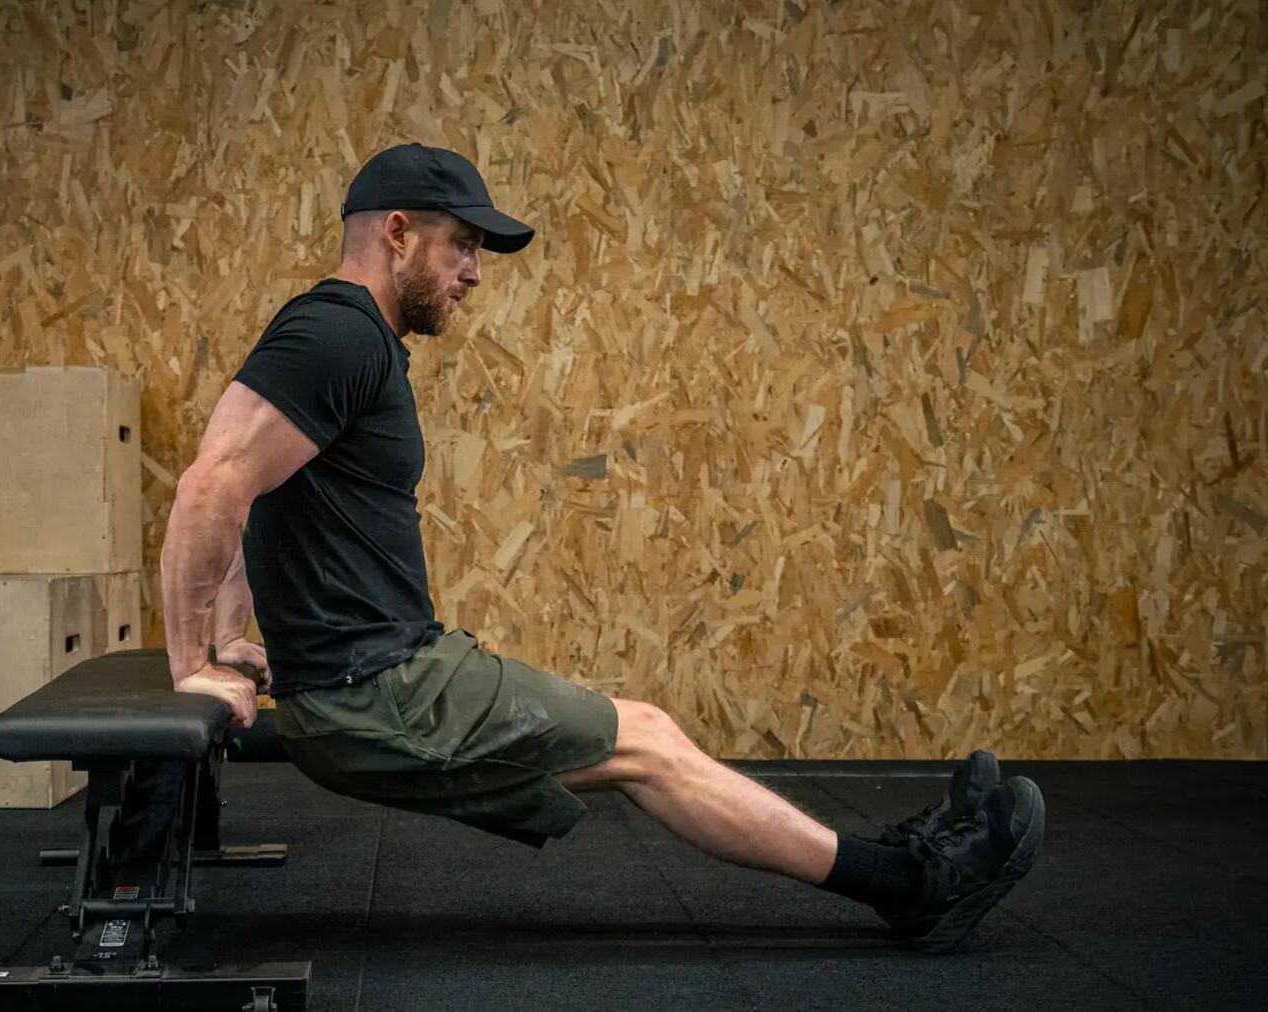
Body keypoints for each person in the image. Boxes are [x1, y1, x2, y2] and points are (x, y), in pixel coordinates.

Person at [159, 142, 1044, 953]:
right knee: (649, 742)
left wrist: (231, 638)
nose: (473, 273)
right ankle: (913, 885)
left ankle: (897, 859)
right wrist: (188, 663)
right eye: (461, 245)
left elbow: (250, 484)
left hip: (378, 681)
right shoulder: (341, 332)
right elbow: (210, 486)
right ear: (397, 232)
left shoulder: (341, 335)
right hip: (377, 696)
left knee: (647, 736)